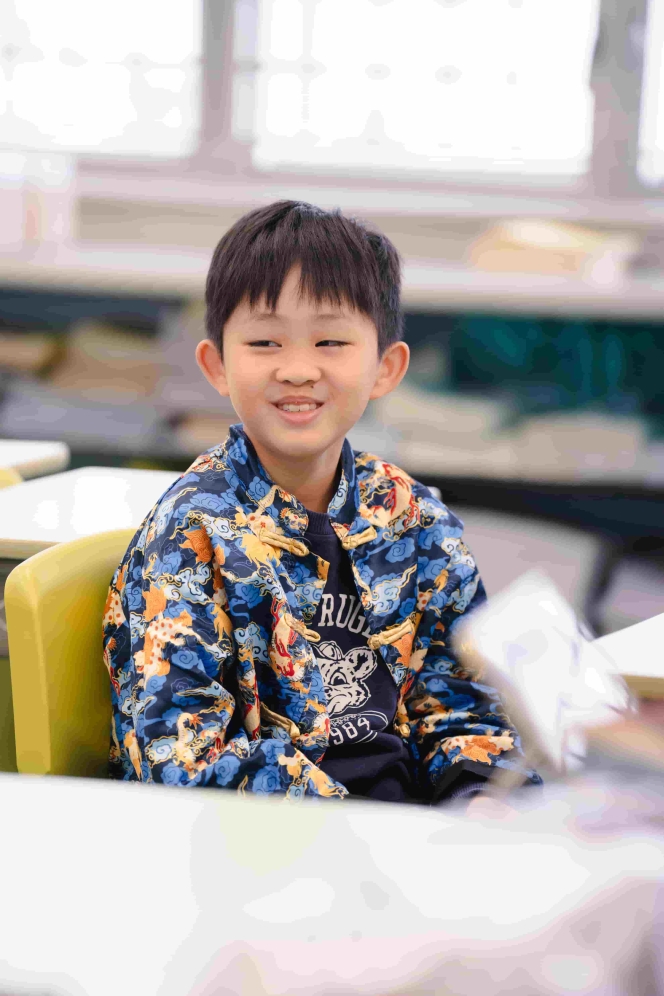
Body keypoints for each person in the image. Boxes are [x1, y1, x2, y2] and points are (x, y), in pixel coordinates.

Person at [103, 200, 538, 807]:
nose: (298, 369)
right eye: (264, 341)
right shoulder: (188, 538)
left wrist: (479, 795)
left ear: (386, 368)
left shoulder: (415, 521)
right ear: (217, 365)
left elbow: (465, 705)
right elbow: (180, 764)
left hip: (421, 833)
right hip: (268, 841)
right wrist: (357, 824)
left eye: (331, 341)